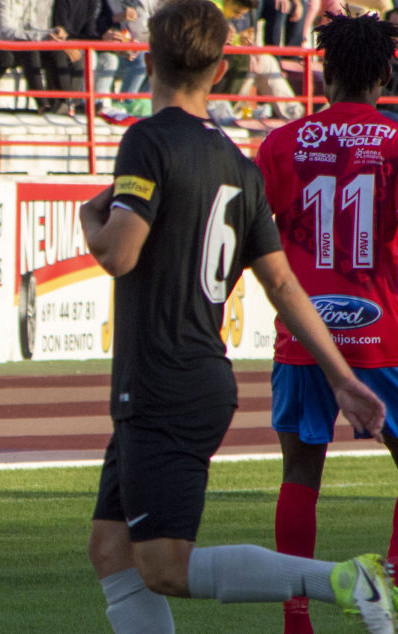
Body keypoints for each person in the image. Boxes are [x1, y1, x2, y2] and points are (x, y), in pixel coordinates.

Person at [81, 1, 395, 633]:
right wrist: (343, 378)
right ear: (222, 68)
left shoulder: (159, 140)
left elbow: (118, 253)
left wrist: (89, 219)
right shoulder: (233, 161)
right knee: (112, 554)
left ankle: (340, 581)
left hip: (162, 377)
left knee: (166, 565)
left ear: (148, 59)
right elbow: (279, 281)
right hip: (205, 372)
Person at [255, 13, 398, 634]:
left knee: (300, 473)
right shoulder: (394, 143)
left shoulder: (280, 144)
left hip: (302, 333)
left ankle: (296, 617)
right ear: (388, 72)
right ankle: (389, 578)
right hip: (384, 332)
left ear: (324, 70)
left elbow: (255, 241)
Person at [0, 0, 58, 112]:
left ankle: (63, 104)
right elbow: (4, 33)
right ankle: (44, 105)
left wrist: (53, 33)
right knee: (21, 51)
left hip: (6, 43)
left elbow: (28, 28)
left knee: (57, 49)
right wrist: (44, 36)